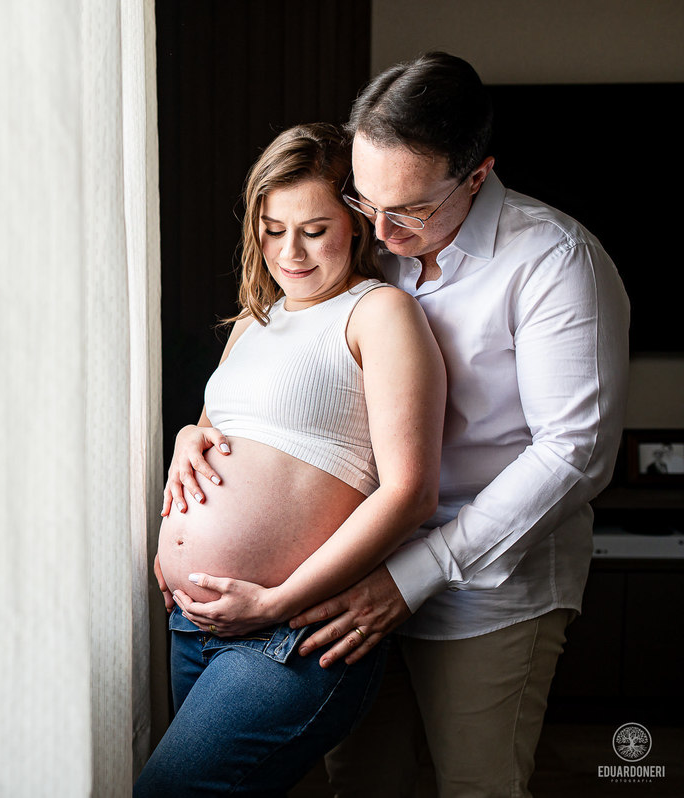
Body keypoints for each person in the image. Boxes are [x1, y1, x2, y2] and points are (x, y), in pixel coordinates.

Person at [164, 53, 630, 797]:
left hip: (486, 581)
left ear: (476, 176)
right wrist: (200, 435)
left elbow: (573, 454)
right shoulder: (377, 251)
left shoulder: (550, 260)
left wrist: (410, 575)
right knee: (363, 784)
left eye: (407, 208)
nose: (378, 228)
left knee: (476, 783)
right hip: (349, 571)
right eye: (364, 201)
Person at [136, 122, 446, 796]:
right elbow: (222, 429)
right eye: (273, 229)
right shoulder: (254, 322)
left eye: (314, 228)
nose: (290, 251)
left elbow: (410, 491)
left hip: (290, 631)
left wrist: (275, 600)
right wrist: (187, 440)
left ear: (357, 224)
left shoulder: (378, 312)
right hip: (193, 624)